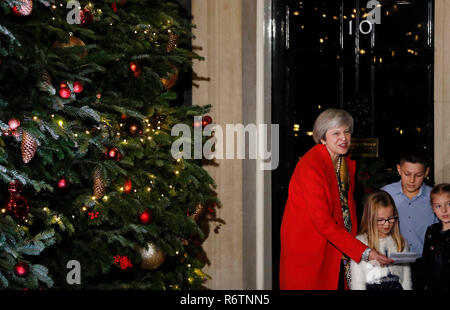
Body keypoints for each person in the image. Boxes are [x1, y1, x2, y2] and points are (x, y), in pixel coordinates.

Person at [280, 108, 393, 290]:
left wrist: (358, 242)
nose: (344, 138)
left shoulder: (345, 161)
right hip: (309, 247)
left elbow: (348, 207)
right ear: (322, 137)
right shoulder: (311, 167)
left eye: (347, 132)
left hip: (338, 246)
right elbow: (323, 222)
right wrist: (364, 252)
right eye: (336, 133)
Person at [381, 151, 438, 288]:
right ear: (399, 169)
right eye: (407, 174)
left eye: (418, 175)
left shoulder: (434, 197)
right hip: (393, 263)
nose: (412, 180)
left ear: (426, 172)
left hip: (425, 263)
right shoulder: (385, 194)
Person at [350, 190, 412, 290]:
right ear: (370, 219)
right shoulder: (360, 244)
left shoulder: (401, 243)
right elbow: (357, 283)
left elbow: (406, 281)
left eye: (391, 218)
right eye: (380, 220)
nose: (387, 224)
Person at [421, 183, 450, 290]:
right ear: (433, 208)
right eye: (438, 206)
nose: (444, 210)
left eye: (449, 204)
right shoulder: (431, 231)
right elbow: (425, 262)